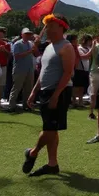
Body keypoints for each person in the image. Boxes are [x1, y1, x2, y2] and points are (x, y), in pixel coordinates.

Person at [22, 14, 74, 177]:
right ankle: (52, 164)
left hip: (58, 91)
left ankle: (33, 152)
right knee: (52, 128)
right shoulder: (50, 46)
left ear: (61, 27)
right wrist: (34, 91)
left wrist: (56, 95)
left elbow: (67, 73)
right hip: (46, 90)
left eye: (51, 26)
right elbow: (44, 72)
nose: (47, 29)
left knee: (49, 129)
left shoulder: (66, 47)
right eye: (47, 26)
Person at [8, 28, 39, 112]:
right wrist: (29, 51)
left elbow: (36, 54)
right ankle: (11, 105)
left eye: (29, 34)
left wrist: (35, 47)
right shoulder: (17, 44)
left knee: (28, 88)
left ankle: (26, 105)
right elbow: (16, 56)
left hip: (30, 69)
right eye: (26, 34)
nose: (28, 35)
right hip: (19, 69)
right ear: (22, 35)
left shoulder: (31, 43)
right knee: (17, 87)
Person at [88, 31, 99, 120]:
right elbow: (89, 55)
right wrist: (92, 46)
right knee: (93, 94)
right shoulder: (96, 46)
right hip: (95, 72)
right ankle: (91, 113)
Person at [72, 34, 92, 108]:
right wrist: (92, 50)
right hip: (79, 69)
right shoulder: (79, 48)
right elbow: (84, 56)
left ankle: (80, 101)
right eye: (89, 41)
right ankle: (74, 101)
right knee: (76, 86)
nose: (90, 43)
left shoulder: (88, 48)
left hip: (86, 70)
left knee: (82, 87)